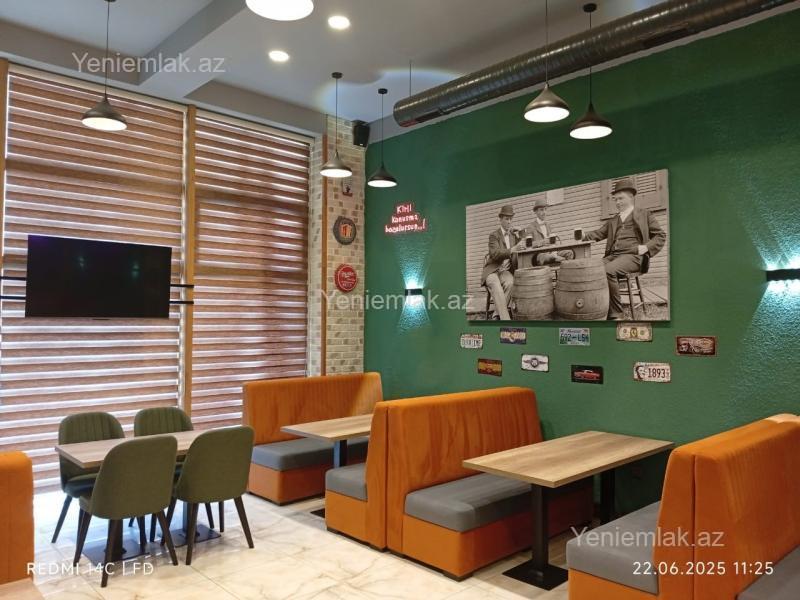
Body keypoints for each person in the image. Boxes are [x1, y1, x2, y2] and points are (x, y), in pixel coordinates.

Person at [582, 178, 666, 319]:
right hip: (613, 256)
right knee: (591, 269)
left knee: (608, 270)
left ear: (631, 197)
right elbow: (598, 233)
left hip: (634, 256)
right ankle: (598, 308)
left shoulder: (644, 214)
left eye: (621, 198)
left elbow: (660, 235)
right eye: (615, 199)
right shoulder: (614, 220)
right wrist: (583, 235)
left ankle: (616, 314)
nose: (617, 202)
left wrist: (646, 247)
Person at [481, 205, 526, 320]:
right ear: (500, 220)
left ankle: (496, 315)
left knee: (511, 282)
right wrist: (512, 250)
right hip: (492, 271)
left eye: (511, 219)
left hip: (505, 272)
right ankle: (506, 320)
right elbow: (495, 254)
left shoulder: (513, 236)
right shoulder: (494, 235)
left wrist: (521, 232)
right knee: (496, 285)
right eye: (506, 219)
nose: (509, 221)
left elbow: (523, 245)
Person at [521, 199, 575, 265]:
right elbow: (527, 245)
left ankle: (564, 268)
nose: (544, 212)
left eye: (545, 209)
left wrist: (554, 246)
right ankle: (558, 260)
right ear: (536, 212)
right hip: (540, 255)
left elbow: (552, 242)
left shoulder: (548, 225)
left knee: (569, 253)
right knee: (551, 257)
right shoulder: (530, 227)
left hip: (552, 251)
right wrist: (543, 242)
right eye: (541, 210)